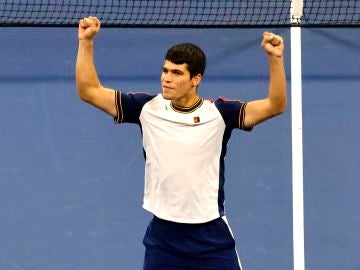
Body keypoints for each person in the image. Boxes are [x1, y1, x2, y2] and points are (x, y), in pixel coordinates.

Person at [76, 16, 286, 270]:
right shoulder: (146, 109)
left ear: (195, 79)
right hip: (164, 239)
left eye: (177, 73)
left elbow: (275, 105)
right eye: (165, 71)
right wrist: (85, 42)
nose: (167, 78)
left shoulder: (220, 114)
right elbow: (89, 91)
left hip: (211, 238)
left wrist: (275, 59)